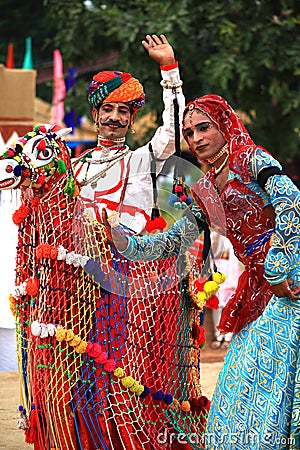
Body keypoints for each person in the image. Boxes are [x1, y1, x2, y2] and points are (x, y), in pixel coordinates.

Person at [102, 94, 300, 449]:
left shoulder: (252, 159)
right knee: (241, 381)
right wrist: (127, 244)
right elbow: (175, 239)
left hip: (289, 277)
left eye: (203, 127)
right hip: (259, 285)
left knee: (272, 374)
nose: (196, 138)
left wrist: (277, 268)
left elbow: (291, 204)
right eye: (189, 132)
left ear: (224, 125)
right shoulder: (206, 188)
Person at [74, 33, 185, 235]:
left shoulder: (142, 161)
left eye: (123, 111)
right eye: (107, 109)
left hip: (128, 262)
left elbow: (174, 130)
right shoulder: (77, 167)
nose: (114, 117)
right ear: (95, 115)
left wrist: (170, 70)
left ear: (131, 120)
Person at [210, 231, 242, 350]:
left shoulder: (233, 234)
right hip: (217, 272)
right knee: (217, 306)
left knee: (231, 306)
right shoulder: (213, 235)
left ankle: (228, 336)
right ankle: (218, 335)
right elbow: (212, 253)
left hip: (231, 272)